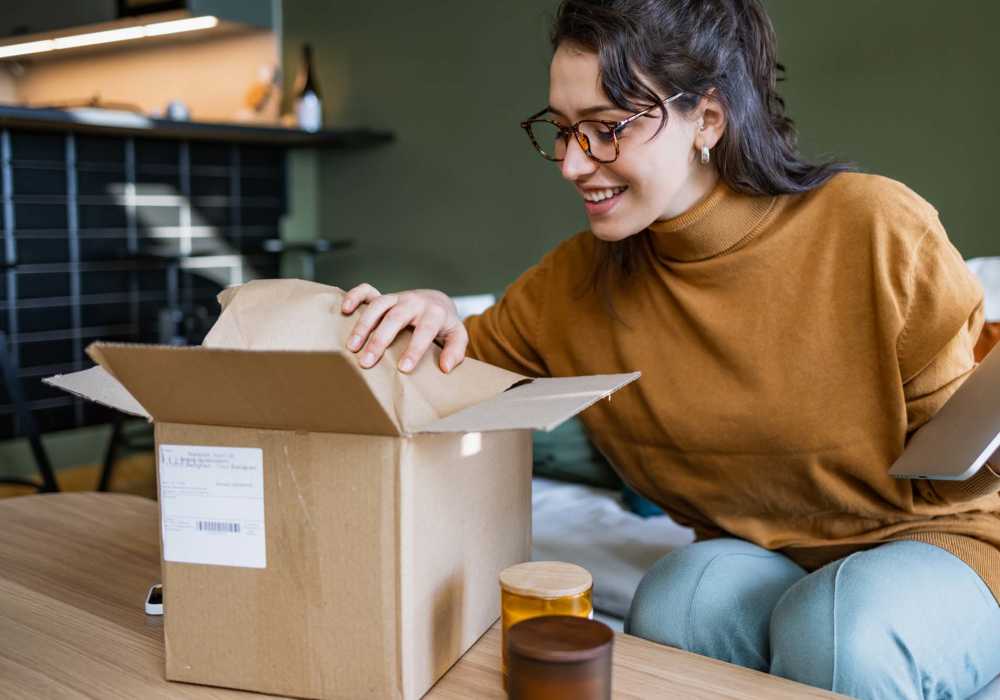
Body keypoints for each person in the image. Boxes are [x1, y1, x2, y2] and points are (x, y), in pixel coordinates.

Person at [339, 1, 1000, 696]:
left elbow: (954, 468)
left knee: (838, 627)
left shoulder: (875, 229)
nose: (571, 163)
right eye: (562, 132)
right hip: (772, 560)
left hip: (942, 547)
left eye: (603, 130)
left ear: (707, 120)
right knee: (678, 597)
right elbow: (455, 369)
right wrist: (437, 314)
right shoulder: (572, 286)